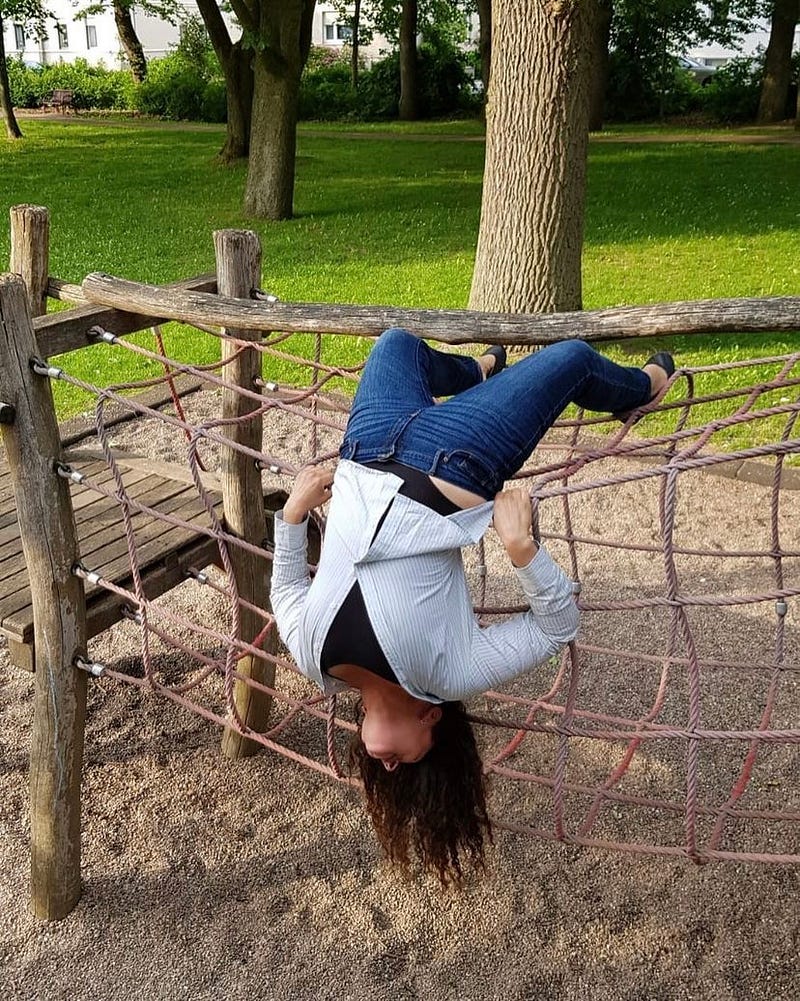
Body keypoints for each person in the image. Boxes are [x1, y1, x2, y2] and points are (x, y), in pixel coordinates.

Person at [270, 328, 674, 884]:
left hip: (364, 451)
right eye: (407, 766)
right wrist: (521, 550)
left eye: (379, 769)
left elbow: (286, 593)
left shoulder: (315, 661)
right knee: (573, 359)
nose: (386, 764)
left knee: (395, 344)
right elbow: (556, 627)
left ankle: (477, 372)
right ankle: (642, 389)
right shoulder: (450, 676)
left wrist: (291, 517)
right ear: (432, 722)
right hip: (453, 465)